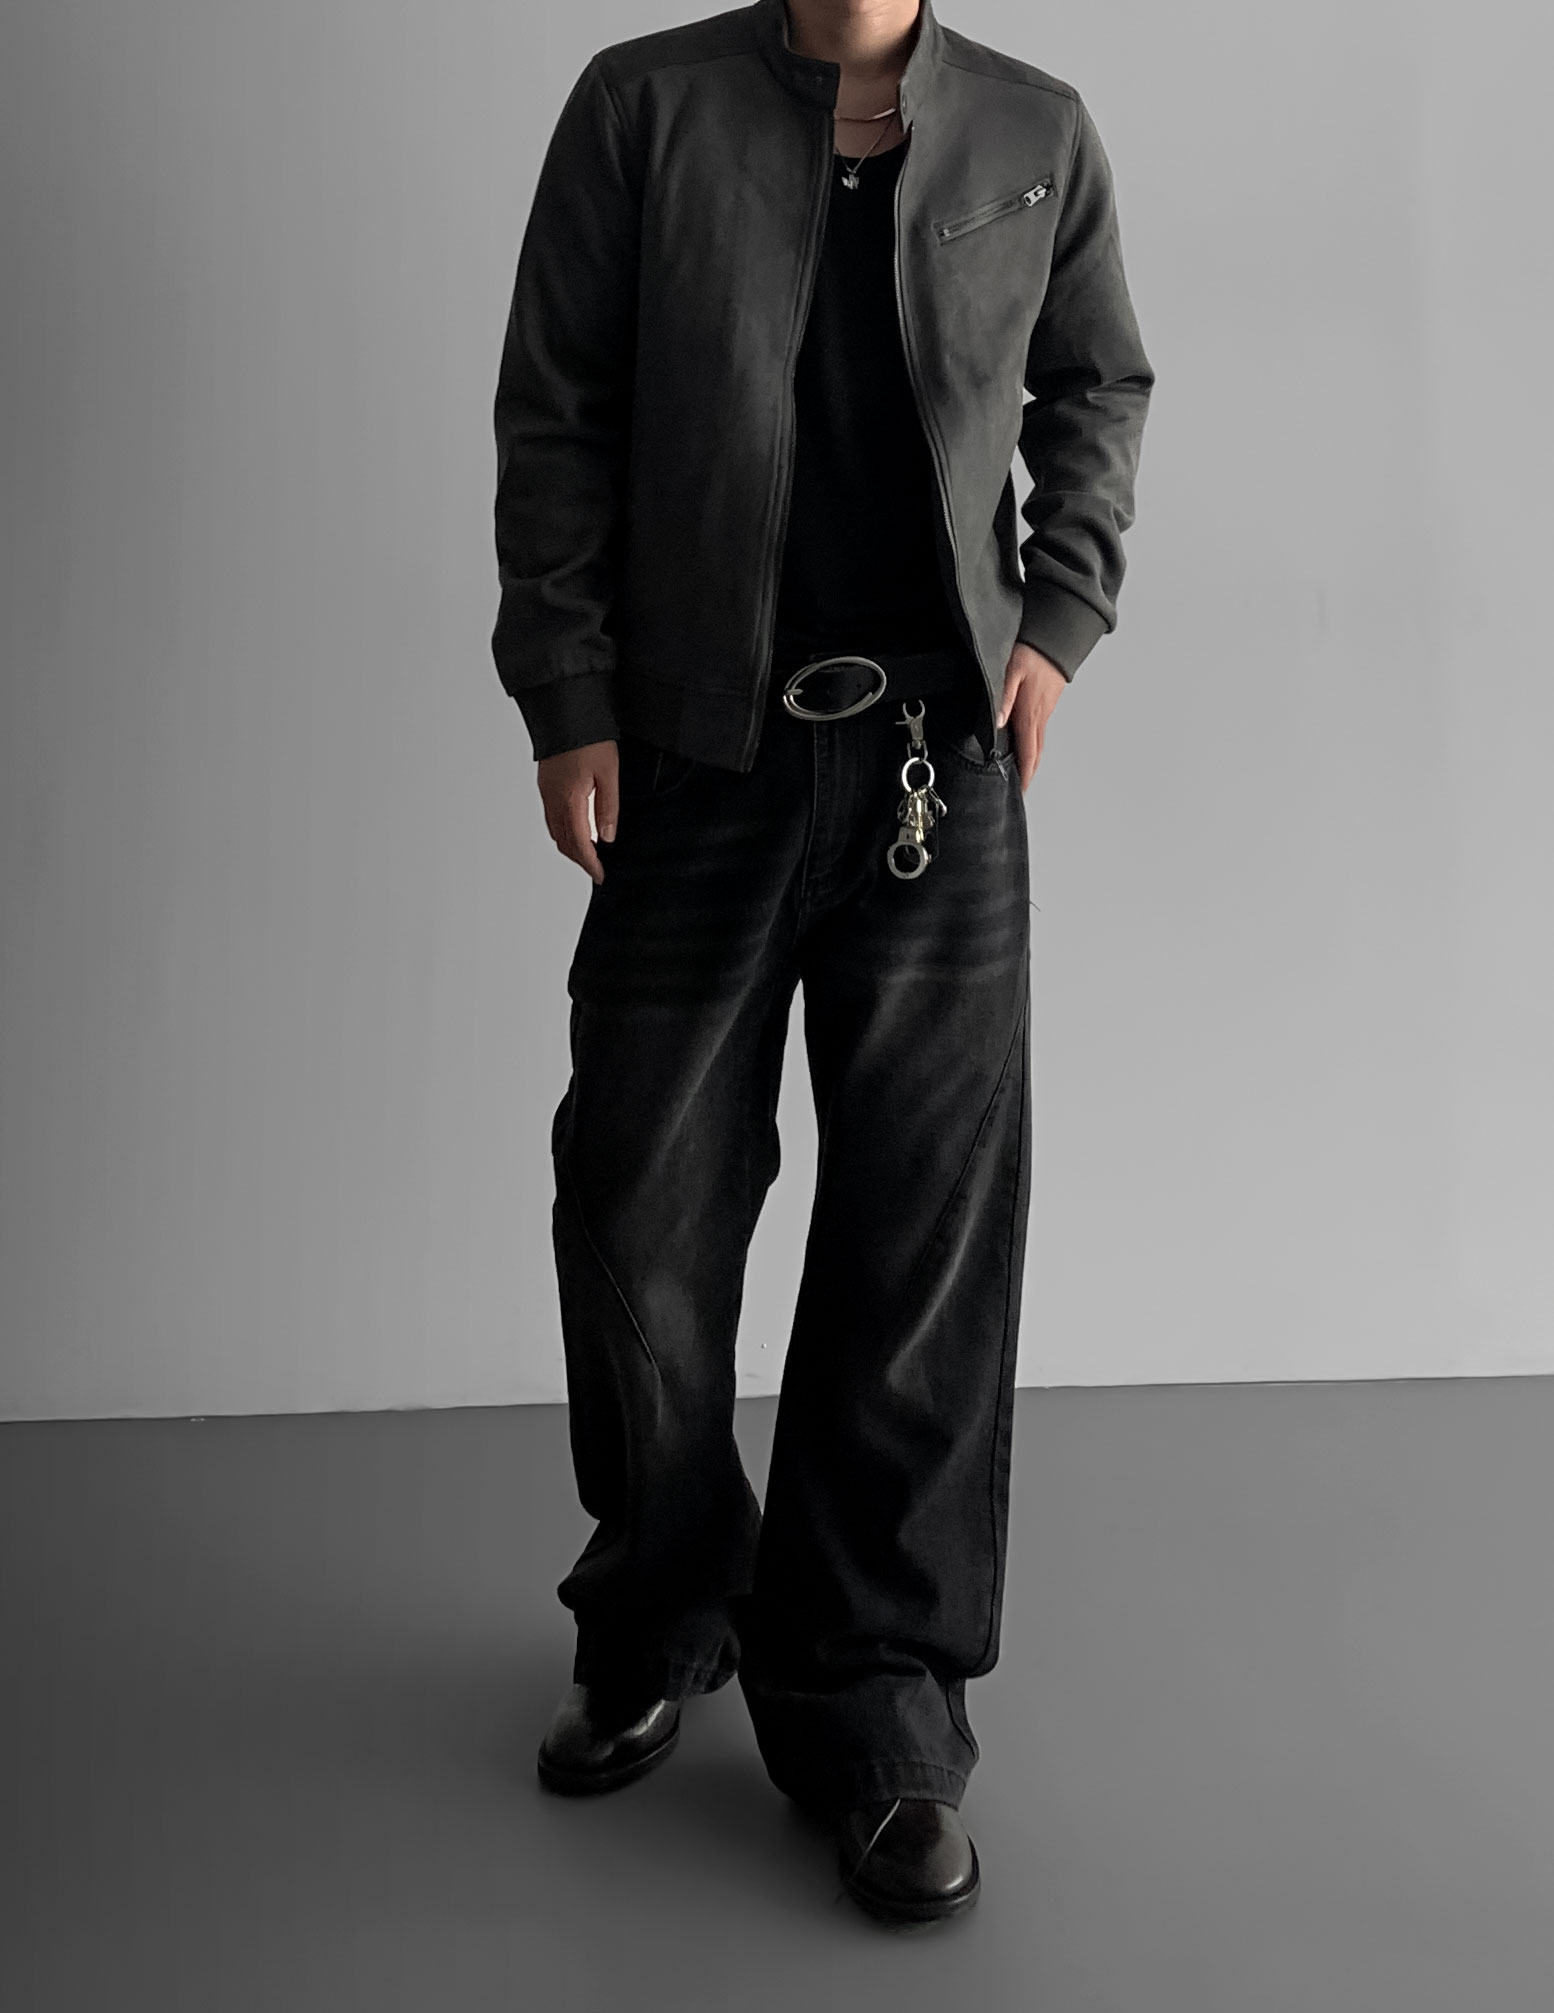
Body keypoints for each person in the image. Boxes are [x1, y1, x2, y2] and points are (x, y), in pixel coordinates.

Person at [492, 0, 1151, 1926]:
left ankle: (877, 1705)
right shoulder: (641, 109)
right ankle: (660, 1601)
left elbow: (1096, 383)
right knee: (636, 1206)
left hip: (942, 755)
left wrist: (1059, 614)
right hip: (696, 750)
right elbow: (557, 406)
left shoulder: (1034, 128)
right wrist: (567, 688)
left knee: (916, 1244)